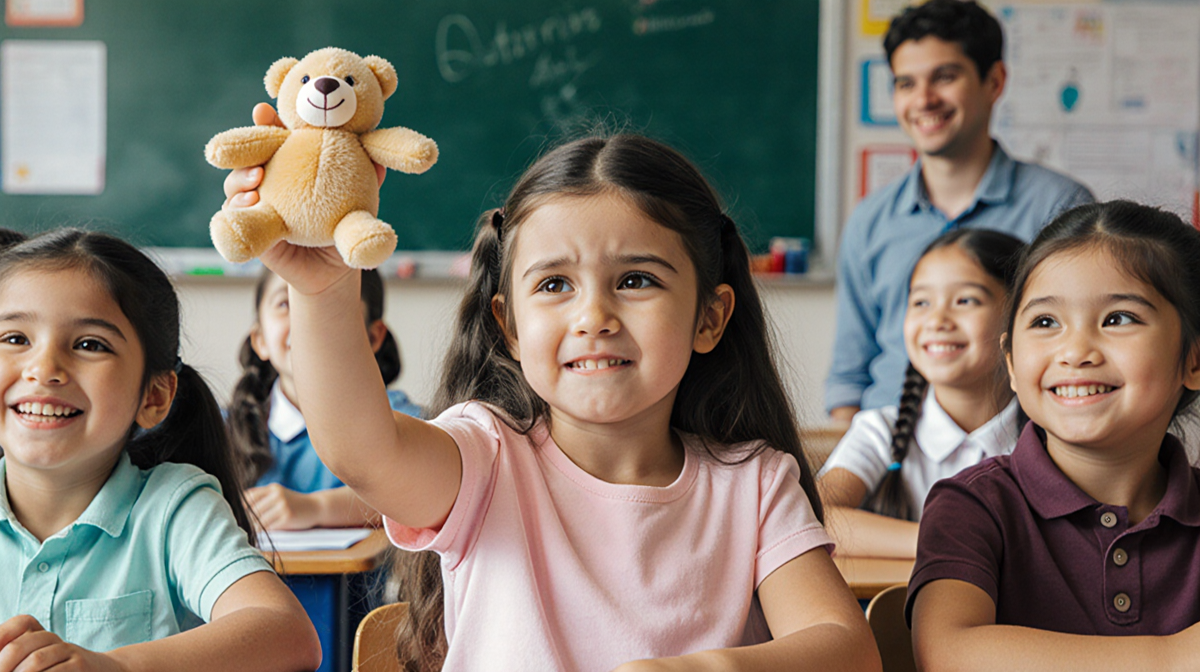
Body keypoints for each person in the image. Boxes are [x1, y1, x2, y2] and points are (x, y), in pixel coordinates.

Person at [247, 134, 880, 672]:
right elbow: (363, 452)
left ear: (709, 318)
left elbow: (846, 649)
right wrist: (325, 287)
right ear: (511, 328)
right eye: (554, 284)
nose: (593, 316)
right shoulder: (485, 456)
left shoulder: (756, 481)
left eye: (636, 280)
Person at [0, 229, 320, 671]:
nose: (43, 369)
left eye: (90, 344)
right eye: (14, 338)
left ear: (153, 397)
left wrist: (114, 666)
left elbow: (288, 635)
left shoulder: (171, 508)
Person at [907, 201, 1200, 670]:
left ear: (1194, 360)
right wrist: (1172, 658)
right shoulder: (974, 505)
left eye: (1119, 318)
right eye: (1045, 322)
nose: (1076, 350)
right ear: (1011, 364)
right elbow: (949, 653)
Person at [826, 0, 1094, 422]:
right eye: (906, 83)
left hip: (1011, 460)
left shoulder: (1060, 208)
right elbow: (849, 375)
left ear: (994, 81)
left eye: (944, 77)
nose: (924, 100)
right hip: (889, 456)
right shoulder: (870, 220)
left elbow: (1076, 351)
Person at [819, 228, 1024, 558]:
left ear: (1019, 315)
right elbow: (818, 520)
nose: (937, 320)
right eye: (921, 302)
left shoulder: (1049, 437)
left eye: (965, 300)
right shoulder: (879, 431)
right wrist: (956, 542)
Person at [229, 268, 422, 531]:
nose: (304, 321)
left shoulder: (396, 416)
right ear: (260, 339)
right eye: (285, 304)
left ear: (373, 336)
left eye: (331, 302)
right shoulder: (222, 428)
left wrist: (317, 508)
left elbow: (421, 487)